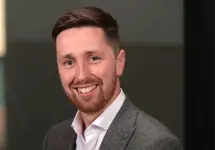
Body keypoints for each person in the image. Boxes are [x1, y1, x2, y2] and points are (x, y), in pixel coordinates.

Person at [43, 6, 183, 150]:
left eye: (93, 58)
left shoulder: (157, 144)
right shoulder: (55, 138)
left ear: (119, 63)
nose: (81, 75)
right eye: (69, 62)